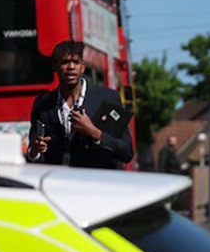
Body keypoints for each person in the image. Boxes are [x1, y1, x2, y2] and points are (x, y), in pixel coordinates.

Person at [27, 40, 134, 169]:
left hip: (99, 183)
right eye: (65, 62)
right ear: (54, 66)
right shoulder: (43, 104)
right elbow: (34, 152)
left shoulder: (107, 98)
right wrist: (35, 151)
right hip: (59, 184)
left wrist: (94, 132)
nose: (71, 67)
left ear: (82, 67)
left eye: (76, 62)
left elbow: (127, 152)